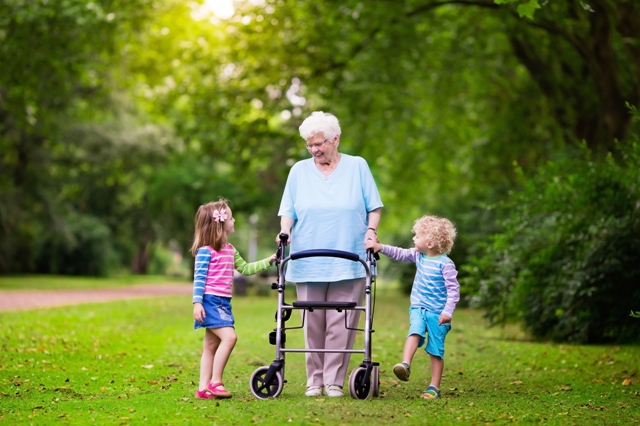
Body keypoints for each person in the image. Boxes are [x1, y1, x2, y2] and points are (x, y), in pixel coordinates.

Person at [277, 111, 383, 398]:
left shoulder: (357, 166)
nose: (314, 150)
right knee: (313, 322)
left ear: (336, 139)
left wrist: (371, 232)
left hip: (349, 256)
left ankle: (334, 380)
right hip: (308, 256)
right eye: (309, 145)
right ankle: (314, 380)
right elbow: (288, 210)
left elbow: (374, 207)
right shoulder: (298, 171)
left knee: (343, 322)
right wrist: (284, 232)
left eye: (319, 144)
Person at [365, 215, 460, 400]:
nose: (414, 239)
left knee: (436, 350)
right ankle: (405, 364)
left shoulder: (445, 265)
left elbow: (454, 291)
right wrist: (380, 247)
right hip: (419, 307)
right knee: (414, 331)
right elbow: (399, 253)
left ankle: (434, 387)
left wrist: (447, 312)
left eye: (417, 236)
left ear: (430, 243)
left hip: (438, 314)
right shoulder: (419, 256)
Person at [191, 198, 276, 399]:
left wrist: (269, 260)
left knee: (211, 346)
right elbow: (199, 279)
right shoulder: (205, 251)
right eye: (231, 217)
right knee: (230, 337)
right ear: (220, 223)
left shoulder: (230, 249)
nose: (234, 220)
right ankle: (215, 382)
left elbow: (245, 269)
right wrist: (197, 303)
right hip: (210, 301)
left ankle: (202, 389)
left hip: (223, 303)